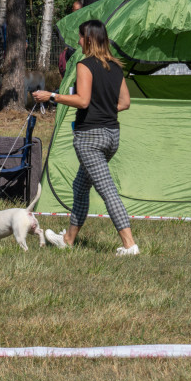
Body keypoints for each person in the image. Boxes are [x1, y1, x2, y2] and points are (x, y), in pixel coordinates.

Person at [33, 19, 140, 256]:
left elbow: (82, 100)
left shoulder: (85, 65)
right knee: (80, 186)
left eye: (81, 37)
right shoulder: (116, 66)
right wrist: (104, 109)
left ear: (89, 39)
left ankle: (130, 245)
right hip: (112, 136)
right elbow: (125, 103)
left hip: (90, 139)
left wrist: (52, 96)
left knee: (107, 190)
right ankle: (68, 239)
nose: (78, 41)